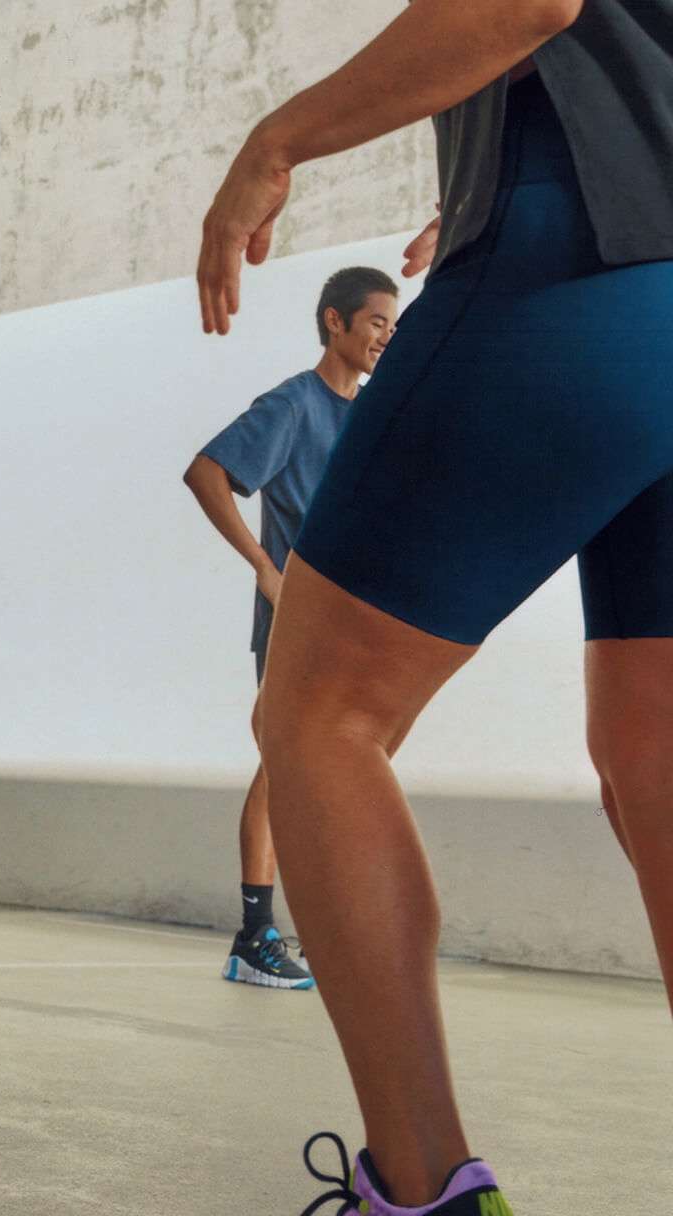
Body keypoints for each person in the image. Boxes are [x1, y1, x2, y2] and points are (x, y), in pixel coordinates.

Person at [198, 1, 673, 1210]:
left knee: (316, 716)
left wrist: (280, 140)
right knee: (656, 751)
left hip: (574, 265)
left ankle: (424, 1189)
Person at [184, 267, 398, 992]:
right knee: (283, 766)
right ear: (336, 323)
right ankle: (253, 936)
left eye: (392, 327)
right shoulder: (294, 404)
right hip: (296, 621)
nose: (384, 338)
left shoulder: (370, 414)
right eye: (376, 323)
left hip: (353, 625)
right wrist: (262, 566)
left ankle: (310, 927)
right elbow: (207, 471)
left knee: (329, 771)